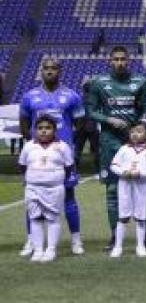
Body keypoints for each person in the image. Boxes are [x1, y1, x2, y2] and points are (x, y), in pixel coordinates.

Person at [85, 46, 146, 252]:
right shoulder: (99, 83)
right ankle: (115, 235)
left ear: (129, 60)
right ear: (110, 61)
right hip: (109, 141)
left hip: (135, 143)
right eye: (116, 59)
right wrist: (108, 119)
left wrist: (137, 130)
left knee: (141, 188)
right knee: (113, 189)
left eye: (123, 59)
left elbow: (144, 109)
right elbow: (91, 110)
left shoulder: (140, 82)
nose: (120, 62)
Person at [18, 57, 86, 257]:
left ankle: (76, 239)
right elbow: (23, 122)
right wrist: (33, 142)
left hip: (61, 154)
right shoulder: (29, 96)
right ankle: (32, 240)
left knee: (69, 197)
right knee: (33, 199)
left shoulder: (71, 96)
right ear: (41, 71)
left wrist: (67, 138)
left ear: (60, 71)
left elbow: (80, 121)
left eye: (53, 68)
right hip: (38, 155)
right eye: (46, 68)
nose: (49, 71)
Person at [18, 116, 75, 262]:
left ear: (54, 130)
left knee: (52, 219)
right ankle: (38, 250)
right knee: (35, 218)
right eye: (40, 128)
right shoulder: (29, 146)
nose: (43, 131)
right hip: (33, 188)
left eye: (48, 128)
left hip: (54, 189)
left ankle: (51, 250)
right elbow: (22, 166)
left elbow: (68, 167)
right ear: (35, 130)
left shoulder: (62, 146)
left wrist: (56, 178)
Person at [108, 121, 146, 258]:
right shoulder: (124, 149)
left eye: (139, 131)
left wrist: (141, 173)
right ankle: (118, 247)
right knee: (123, 216)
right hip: (125, 184)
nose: (135, 134)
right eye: (132, 132)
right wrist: (123, 172)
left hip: (142, 185)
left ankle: (140, 245)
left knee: (141, 216)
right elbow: (113, 165)